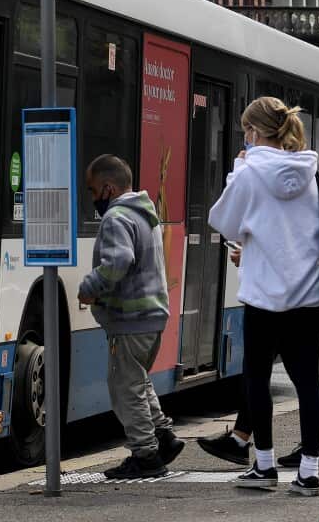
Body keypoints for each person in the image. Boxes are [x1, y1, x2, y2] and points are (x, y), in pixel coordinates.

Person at [208, 97, 319, 497]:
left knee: (257, 379)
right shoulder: (312, 175)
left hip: (264, 296)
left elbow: (223, 222)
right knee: (307, 381)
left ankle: (264, 464)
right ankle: (309, 471)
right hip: (309, 294)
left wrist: (237, 169)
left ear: (253, 131)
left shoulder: (250, 173)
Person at [77, 154, 185, 479]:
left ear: (108, 188)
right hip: (152, 315)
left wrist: (90, 287)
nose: (92, 197)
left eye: (93, 190)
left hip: (130, 318)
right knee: (137, 381)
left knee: (125, 389)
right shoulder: (144, 214)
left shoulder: (116, 217)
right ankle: (163, 436)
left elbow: (119, 260)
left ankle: (146, 456)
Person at [197, 241, 319, 470]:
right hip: (308, 299)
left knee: (267, 374)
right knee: (284, 375)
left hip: (288, 300)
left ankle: (267, 459)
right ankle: (245, 441)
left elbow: (292, 249)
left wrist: (251, 258)